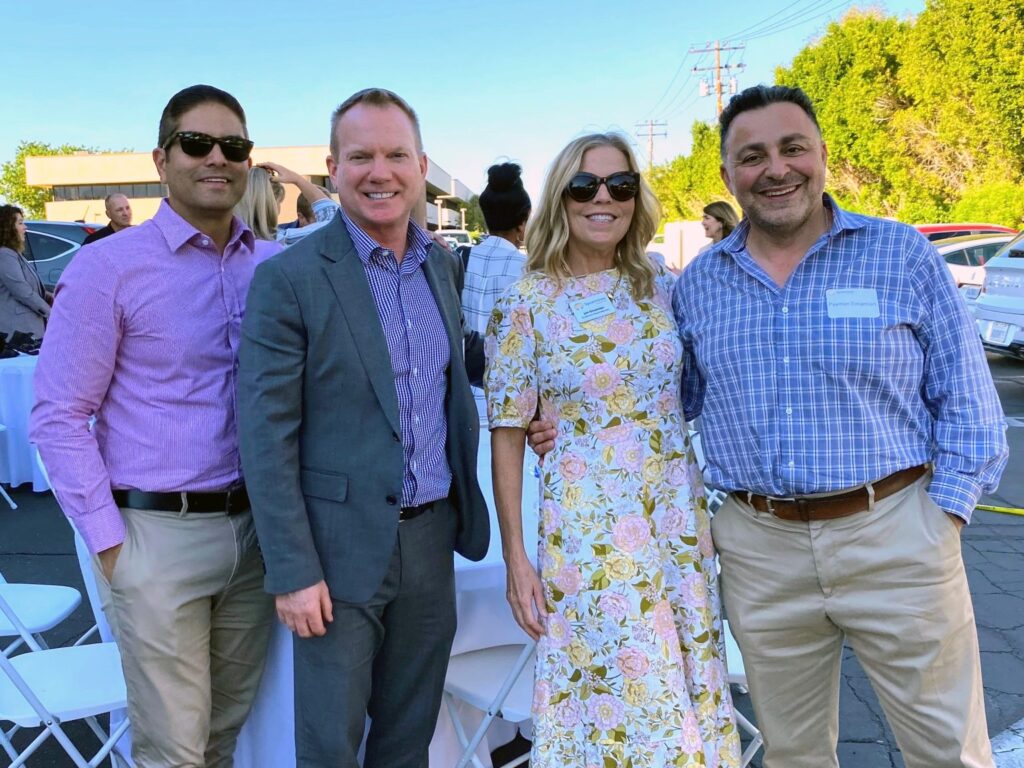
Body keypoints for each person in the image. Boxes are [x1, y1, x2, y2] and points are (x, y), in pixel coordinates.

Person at [526, 84, 1008, 767]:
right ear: (728, 176)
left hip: (895, 535)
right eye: (752, 156)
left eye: (792, 148)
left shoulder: (900, 255)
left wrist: (940, 522)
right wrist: (565, 421)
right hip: (761, 550)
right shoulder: (697, 286)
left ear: (822, 156)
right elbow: (663, 396)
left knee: (946, 752)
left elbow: (970, 404)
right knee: (792, 754)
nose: (776, 168)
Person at [237, 87, 489, 768]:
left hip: (432, 540)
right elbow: (265, 434)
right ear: (333, 168)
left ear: (421, 164)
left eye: (395, 155)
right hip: (334, 554)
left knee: (409, 738)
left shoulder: (441, 263)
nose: (380, 172)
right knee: (330, 744)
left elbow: (449, 386)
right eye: (361, 157)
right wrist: (292, 570)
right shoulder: (289, 279)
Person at [31, 84, 279, 768]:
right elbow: (58, 416)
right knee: (173, 751)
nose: (217, 158)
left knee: (224, 735)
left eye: (234, 146)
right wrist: (115, 550)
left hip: (254, 538)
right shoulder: (108, 268)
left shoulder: (272, 267)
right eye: (197, 144)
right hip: (154, 539)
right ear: (162, 158)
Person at [487, 133, 741, 767]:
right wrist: (517, 558)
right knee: (624, 688)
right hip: (588, 530)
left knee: (686, 678)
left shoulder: (658, 284)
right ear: (560, 199)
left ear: (636, 197)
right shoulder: (526, 302)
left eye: (620, 185)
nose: (604, 198)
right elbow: (508, 434)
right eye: (585, 186)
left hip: (677, 521)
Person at [461, 161, 530, 415]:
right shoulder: (529, 271)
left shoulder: (458, 259)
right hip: (509, 400)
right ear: (523, 221)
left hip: (463, 397)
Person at [0, 204, 50, 338]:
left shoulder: (14, 254)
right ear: (8, 228)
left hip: (27, 330)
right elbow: (22, 291)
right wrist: (50, 312)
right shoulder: (5, 255)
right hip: (18, 332)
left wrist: (50, 296)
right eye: (20, 223)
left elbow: (31, 287)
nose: (25, 227)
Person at [235, 166, 280, 240]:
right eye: (279, 202)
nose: (279, 209)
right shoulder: (275, 248)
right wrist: (297, 180)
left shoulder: (228, 243)